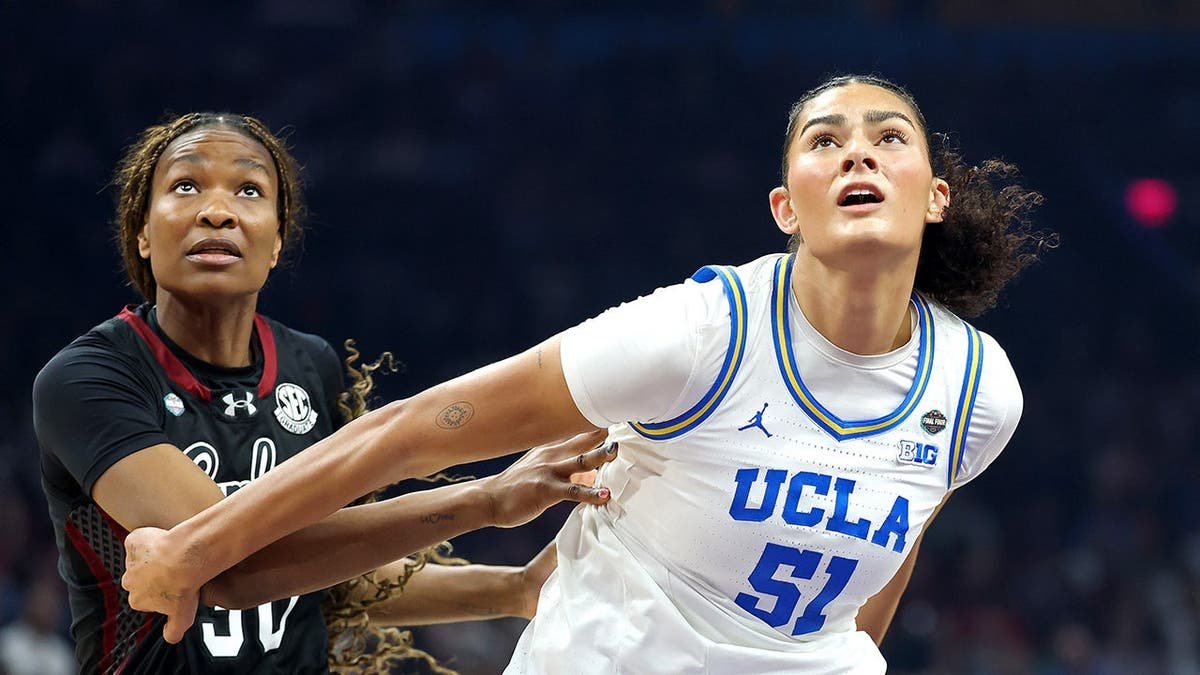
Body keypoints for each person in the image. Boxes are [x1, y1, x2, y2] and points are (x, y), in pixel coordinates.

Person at [121, 75, 1049, 673]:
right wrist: (197, 548)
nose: (857, 150)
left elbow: (893, 542)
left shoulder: (978, 392)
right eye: (824, 140)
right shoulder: (695, 334)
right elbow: (408, 431)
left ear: (934, 198)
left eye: (889, 136)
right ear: (785, 209)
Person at [32, 112, 616, 674]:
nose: (217, 211)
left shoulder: (311, 366)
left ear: (277, 240)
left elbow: (324, 568)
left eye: (249, 190)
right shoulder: (88, 379)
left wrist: (516, 588)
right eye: (186, 186)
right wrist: (487, 499)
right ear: (142, 232)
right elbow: (228, 563)